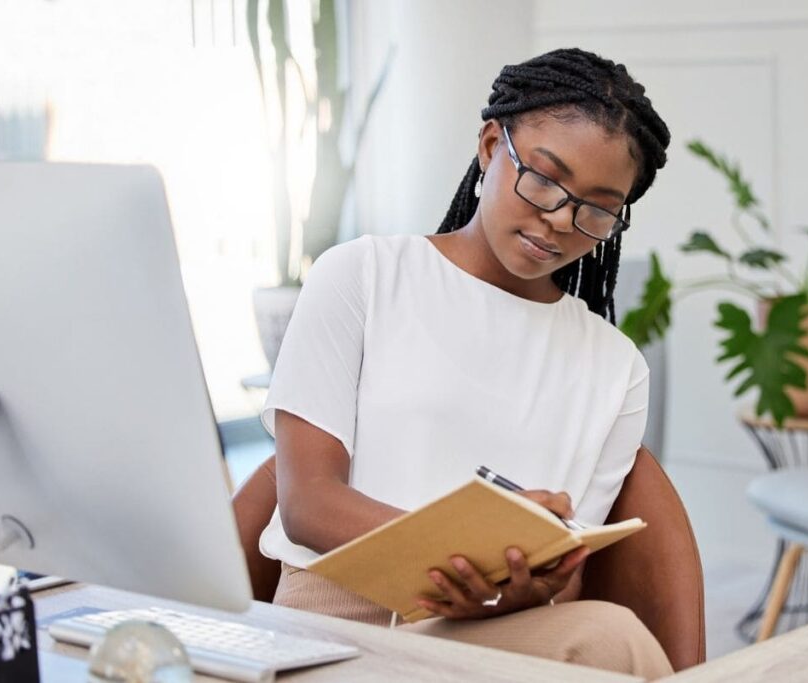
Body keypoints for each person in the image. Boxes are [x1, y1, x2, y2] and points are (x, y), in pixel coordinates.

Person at [259, 47, 674, 678]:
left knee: (606, 638)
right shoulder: (363, 276)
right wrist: (455, 551)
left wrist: (523, 587)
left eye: (595, 209)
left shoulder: (616, 367)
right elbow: (308, 504)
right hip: (333, 629)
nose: (559, 220)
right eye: (542, 177)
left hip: (490, 634)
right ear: (489, 146)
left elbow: (568, 571)